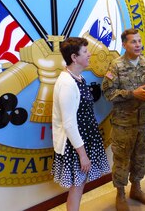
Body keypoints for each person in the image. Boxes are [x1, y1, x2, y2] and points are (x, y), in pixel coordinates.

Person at [51, 37, 110, 211]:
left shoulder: (78, 78)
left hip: (85, 139)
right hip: (76, 144)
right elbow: (69, 124)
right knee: (77, 184)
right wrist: (82, 155)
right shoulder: (67, 84)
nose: (89, 54)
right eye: (85, 51)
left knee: (80, 183)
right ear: (74, 57)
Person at [101, 28, 145, 211]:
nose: (138, 45)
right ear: (124, 44)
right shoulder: (116, 66)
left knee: (141, 158)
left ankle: (136, 189)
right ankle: (121, 194)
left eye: (139, 41)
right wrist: (133, 94)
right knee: (122, 160)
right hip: (123, 124)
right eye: (134, 42)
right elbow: (108, 93)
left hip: (143, 122)